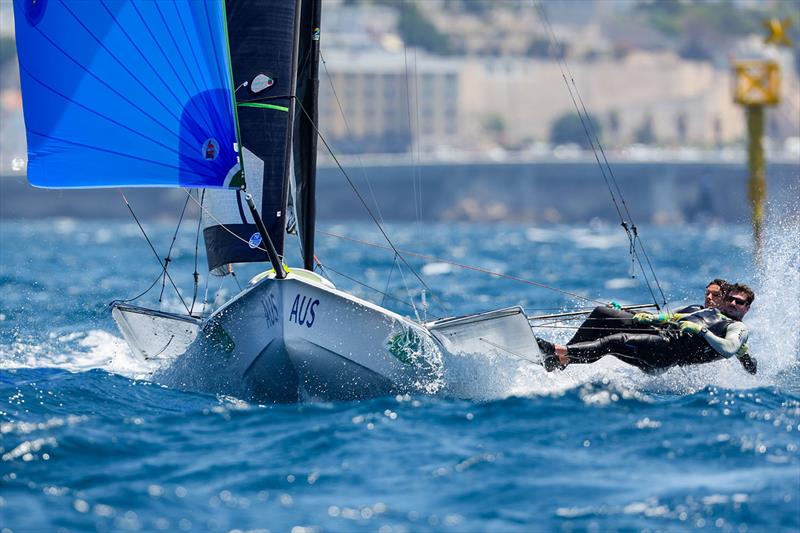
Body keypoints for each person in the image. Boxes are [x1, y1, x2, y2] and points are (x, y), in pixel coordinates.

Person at [538, 283, 757, 375]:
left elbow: (730, 348)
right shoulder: (703, 313)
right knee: (605, 315)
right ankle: (561, 359)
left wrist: (702, 332)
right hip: (660, 340)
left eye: (739, 302)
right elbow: (667, 318)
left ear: (747, 308)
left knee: (616, 341)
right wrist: (631, 313)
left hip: (665, 356)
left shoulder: (736, 327)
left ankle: (557, 351)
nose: (733, 304)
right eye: (731, 299)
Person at [564, 279, 730, 346]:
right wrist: (625, 310)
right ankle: (566, 356)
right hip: (655, 332)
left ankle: (562, 354)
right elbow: (661, 317)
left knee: (602, 313)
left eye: (715, 295)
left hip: (660, 343)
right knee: (606, 320)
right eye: (707, 293)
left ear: (725, 299)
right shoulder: (695, 309)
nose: (709, 297)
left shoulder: (725, 324)